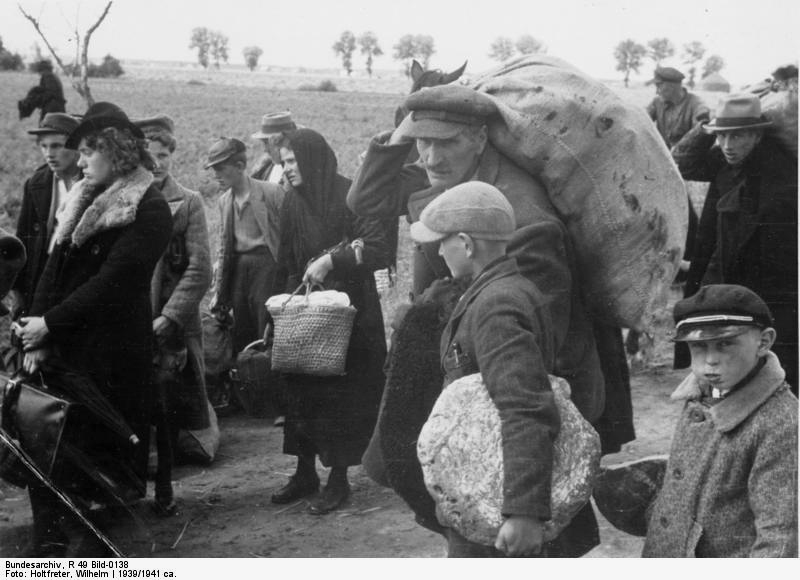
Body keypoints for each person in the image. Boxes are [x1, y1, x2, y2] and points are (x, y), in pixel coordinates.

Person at [348, 84, 631, 454]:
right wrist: (401, 137)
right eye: (423, 142)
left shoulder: (521, 218)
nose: (431, 158)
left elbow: (535, 337)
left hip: (521, 392)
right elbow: (365, 200)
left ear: (480, 139)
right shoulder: (451, 171)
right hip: (466, 368)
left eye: (445, 142)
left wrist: (428, 316)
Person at [15, 102, 172, 556]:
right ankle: (47, 544)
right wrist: (34, 332)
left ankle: (95, 553)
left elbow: (113, 283)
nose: (79, 162)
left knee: (97, 464)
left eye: (88, 152)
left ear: (116, 152)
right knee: (47, 445)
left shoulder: (149, 207)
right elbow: (52, 268)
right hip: (64, 346)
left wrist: (50, 325)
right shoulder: (83, 198)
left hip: (111, 356)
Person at [410, 181, 569, 557]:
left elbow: (525, 406)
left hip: (494, 495)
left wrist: (523, 511)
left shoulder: (496, 306)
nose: (438, 250)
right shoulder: (508, 288)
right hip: (493, 482)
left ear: (466, 245)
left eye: (443, 241)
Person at [269, 128, 389, 515]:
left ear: (312, 159)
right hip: (306, 312)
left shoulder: (352, 195)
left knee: (341, 398)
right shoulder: (292, 201)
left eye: (292, 161)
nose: (287, 169)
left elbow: (377, 247)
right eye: (283, 162)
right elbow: (286, 259)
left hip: (350, 315)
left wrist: (331, 260)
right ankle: (304, 472)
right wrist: (278, 313)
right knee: (301, 390)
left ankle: (338, 479)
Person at [643, 284, 797, 557]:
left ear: (764, 341)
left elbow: (781, 536)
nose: (710, 361)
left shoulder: (782, 423)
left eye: (725, 344)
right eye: (698, 346)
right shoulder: (700, 394)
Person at [673, 94, 798, 390]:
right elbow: (683, 162)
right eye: (722, 136)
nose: (728, 145)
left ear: (757, 135)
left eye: (737, 136)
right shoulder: (725, 159)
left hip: (764, 283)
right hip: (726, 270)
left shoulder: (779, 172)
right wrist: (706, 127)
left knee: (767, 364)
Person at [134, 114, 213, 513]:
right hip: (131, 320)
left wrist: (170, 317)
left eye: (164, 155)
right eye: (150, 156)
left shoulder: (189, 202)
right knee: (131, 403)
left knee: (167, 406)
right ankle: (131, 483)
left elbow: (200, 269)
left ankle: (165, 485)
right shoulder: (125, 199)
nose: (157, 163)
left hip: (171, 327)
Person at [207, 138, 285, 354]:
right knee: (241, 328)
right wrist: (219, 291)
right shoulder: (225, 201)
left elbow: (288, 238)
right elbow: (224, 248)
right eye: (213, 170)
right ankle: (244, 370)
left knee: (267, 325)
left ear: (240, 166)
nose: (216, 176)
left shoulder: (272, 192)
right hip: (239, 270)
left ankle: (267, 369)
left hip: (267, 267)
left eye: (221, 169)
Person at [10, 113, 81, 319]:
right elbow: (23, 238)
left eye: (57, 146)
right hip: (40, 272)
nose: (49, 154)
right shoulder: (36, 183)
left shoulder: (92, 183)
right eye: (44, 146)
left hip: (74, 277)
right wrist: (18, 291)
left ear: (76, 148)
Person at [646, 66, 711, 149]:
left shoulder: (697, 105)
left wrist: (678, 149)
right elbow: (642, 121)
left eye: (659, 86)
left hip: (686, 154)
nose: (657, 92)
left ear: (671, 87)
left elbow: (701, 134)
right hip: (663, 153)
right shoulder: (657, 102)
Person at [250, 111, 297, 183]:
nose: (265, 150)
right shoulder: (265, 165)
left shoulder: (298, 171)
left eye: (267, 143)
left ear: (282, 142)